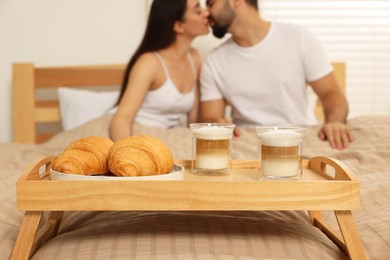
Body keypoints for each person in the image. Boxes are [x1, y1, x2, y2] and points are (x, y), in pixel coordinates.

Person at [200, 0, 354, 150]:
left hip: (298, 140)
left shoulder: (298, 38)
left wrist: (335, 122)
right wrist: (217, 123)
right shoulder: (213, 61)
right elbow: (211, 118)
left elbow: (331, 93)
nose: (205, 12)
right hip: (246, 144)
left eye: (211, 3)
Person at [109, 0, 209, 141]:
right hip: (130, 132)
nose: (207, 13)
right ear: (179, 26)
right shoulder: (149, 62)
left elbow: (193, 122)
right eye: (198, 11)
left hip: (165, 136)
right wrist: (127, 152)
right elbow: (122, 118)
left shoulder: (194, 57)